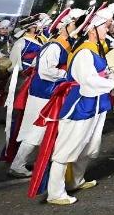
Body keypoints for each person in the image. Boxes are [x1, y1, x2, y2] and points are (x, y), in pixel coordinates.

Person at [28, 2, 114, 206]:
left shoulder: (96, 49)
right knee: (67, 148)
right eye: (106, 25)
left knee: (88, 146)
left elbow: (102, 72)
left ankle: (76, 180)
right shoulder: (84, 51)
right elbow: (88, 80)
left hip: (96, 103)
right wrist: (113, 83)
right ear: (92, 29)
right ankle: (55, 193)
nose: (109, 29)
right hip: (81, 105)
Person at [8, 9, 86, 178]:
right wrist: (68, 75)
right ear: (64, 27)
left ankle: (33, 160)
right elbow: (45, 71)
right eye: (73, 24)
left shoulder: (62, 44)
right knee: (36, 129)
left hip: (49, 93)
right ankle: (17, 165)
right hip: (42, 94)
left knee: (43, 129)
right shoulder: (54, 46)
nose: (76, 26)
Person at [0, 14, 49, 163]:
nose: (43, 27)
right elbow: (14, 65)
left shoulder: (41, 40)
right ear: (32, 27)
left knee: (27, 119)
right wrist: (29, 69)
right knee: (18, 119)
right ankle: (12, 153)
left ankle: (21, 153)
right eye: (41, 24)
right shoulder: (21, 42)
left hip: (32, 82)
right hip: (21, 82)